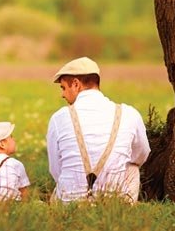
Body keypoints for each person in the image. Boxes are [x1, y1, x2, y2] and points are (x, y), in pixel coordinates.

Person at [46, 57, 150, 202]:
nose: (62, 94)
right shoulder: (129, 114)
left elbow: (55, 169)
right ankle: (125, 208)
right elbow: (141, 155)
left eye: (63, 87)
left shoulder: (58, 118)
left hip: (70, 204)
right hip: (113, 202)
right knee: (132, 166)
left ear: (76, 84)